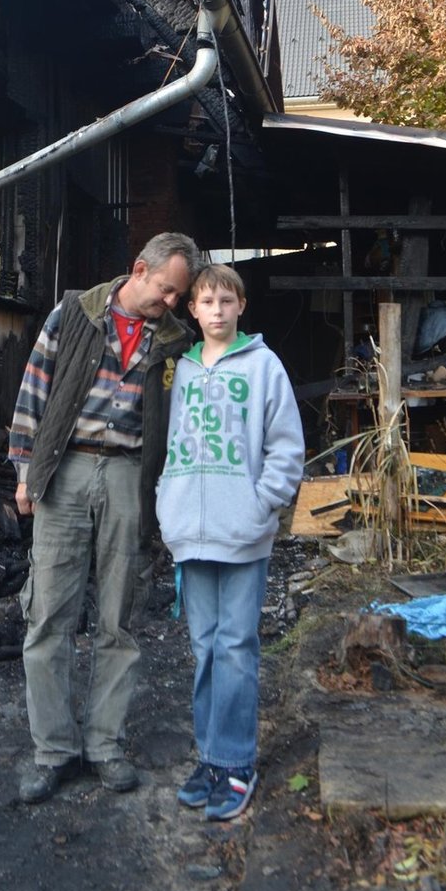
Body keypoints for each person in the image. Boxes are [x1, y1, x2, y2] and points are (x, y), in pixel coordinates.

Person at [9, 231, 202, 804]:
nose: (170, 302)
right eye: (166, 290)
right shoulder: (75, 313)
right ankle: (53, 751)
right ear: (138, 269)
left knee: (119, 616)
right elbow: (33, 390)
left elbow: (185, 419)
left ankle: (104, 745)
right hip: (65, 469)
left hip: (129, 476)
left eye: (179, 295)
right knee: (49, 615)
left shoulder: (176, 341)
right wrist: (25, 472)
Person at [155, 263, 304, 821]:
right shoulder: (185, 371)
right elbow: (172, 445)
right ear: (191, 310)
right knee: (205, 649)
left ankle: (238, 763)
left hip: (243, 535)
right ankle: (210, 759)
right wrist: (166, 502)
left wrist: (261, 502)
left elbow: (287, 447)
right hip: (192, 536)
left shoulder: (264, 367)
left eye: (226, 301)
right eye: (205, 302)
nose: (216, 311)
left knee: (237, 648)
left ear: (241, 306)